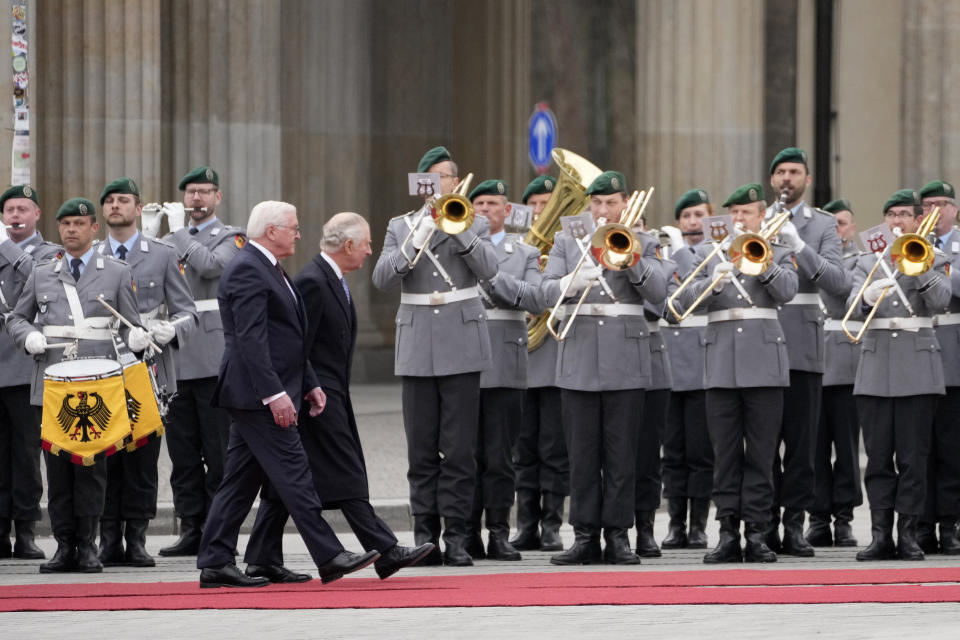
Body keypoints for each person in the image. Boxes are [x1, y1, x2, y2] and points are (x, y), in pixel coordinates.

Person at [243, 212, 435, 582]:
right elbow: (297, 345)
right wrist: (305, 392)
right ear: (348, 245)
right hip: (316, 396)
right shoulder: (314, 281)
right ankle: (386, 549)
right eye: (366, 244)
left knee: (287, 481)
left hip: (328, 392)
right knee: (345, 470)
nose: (369, 251)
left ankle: (262, 557)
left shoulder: (331, 277)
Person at [196, 201, 379, 588]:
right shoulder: (247, 269)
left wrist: (309, 382)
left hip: (267, 391)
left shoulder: (270, 267)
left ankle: (216, 560)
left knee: (240, 482)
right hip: (256, 395)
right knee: (296, 473)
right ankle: (329, 555)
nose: (299, 234)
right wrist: (275, 394)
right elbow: (251, 341)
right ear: (271, 231)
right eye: (293, 228)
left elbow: (292, 337)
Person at [372, 146, 498, 567]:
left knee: (460, 449)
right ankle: (425, 534)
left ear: (455, 183)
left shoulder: (473, 219)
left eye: (445, 178)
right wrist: (420, 234)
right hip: (418, 343)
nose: (437, 185)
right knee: (421, 448)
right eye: (431, 178)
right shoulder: (400, 226)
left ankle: (458, 536)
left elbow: (490, 268)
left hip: (461, 341)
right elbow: (382, 277)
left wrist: (456, 229)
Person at [7, 197, 145, 573]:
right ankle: (63, 545)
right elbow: (17, 318)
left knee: (91, 469)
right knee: (57, 469)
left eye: (79, 224)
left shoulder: (116, 272)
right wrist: (28, 337)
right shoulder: (42, 273)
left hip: (97, 384)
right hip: (52, 384)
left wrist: (138, 339)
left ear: (93, 228)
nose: (71, 230)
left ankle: (87, 545)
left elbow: (133, 324)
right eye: (65, 224)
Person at [541, 170, 667, 566]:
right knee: (581, 455)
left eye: (611, 203)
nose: (603, 210)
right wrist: (570, 282)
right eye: (596, 203)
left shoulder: (644, 241)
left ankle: (618, 536)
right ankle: (583, 536)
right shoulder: (567, 241)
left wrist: (629, 260)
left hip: (625, 359)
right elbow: (544, 291)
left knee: (620, 454)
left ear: (624, 204)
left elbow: (660, 293)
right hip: (578, 356)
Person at [677, 183, 798, 564]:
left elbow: (788, 291)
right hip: (721, 368)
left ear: (762, 215)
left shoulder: (776, 249)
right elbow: (680, 302)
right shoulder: (712, 254)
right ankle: (728, 531)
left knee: (761, 456)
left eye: (746, 212)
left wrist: (760, 266)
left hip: (763, 367)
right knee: (725, 455)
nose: (739, 219)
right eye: (734, 213)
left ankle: (758, 533)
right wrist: (713, 282)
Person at [95, 178, 197, 568]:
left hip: (148, 367)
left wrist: (170, 329)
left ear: (139, 209)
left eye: (124, 200)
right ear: (102, 211)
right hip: (105, 367)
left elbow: (187, 312)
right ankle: (108, 538)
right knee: (107, 453)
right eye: (110, 201)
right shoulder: (93, 254)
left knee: (142, 454)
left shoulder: (162, 254)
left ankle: (136, 537)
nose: (116, 206)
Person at [849, 188, 950, 561]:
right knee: (877, 459)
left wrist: (918, 266)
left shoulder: (933, 257)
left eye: (905, 214)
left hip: (917, 368)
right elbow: (850, 304)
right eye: (891, 214)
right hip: (875, 368)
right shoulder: (867, 260)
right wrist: (866, 297)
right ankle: (880, 536)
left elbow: (940, 300)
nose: (897, 221)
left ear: (917, 219)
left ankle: (908, 534)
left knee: (912, 457)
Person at [158, 166, 245, 557]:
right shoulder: (168, 240)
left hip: (212, 358)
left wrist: (177, 234)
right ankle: (191, 526)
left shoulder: (232, 236)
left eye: (204, 192)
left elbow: (213, 267)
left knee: (218, 449)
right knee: (183, 453)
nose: (196, 199)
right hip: (176, 356)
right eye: (191, 192)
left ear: (218, 198)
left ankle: (219, 528)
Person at [765, 147, 847, 557]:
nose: (786, 179)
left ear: (808, 180)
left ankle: (794, 524)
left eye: (794, 172)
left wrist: (800, 247)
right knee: (762, 445)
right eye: (780, 172)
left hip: (802, 346)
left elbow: (838, 282)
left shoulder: (824, 225)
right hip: (760, 347)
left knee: (801, 444)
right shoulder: (755, 221)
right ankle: (762, 524)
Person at [465, 179, 543, 561]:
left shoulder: (524, 251)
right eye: (477, 203)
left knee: (500, 455)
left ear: (507, 211)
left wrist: (493, 277)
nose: (483, 209)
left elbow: (534, 298)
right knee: (465, 454)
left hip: (506, 360)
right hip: (463, 358)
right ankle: (465, 531)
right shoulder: (455, 246)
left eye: (492, 203)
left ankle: (498, 531)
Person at [0, 185, 61, 559]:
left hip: (25, 365)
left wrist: (6, 247)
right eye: (9, 210)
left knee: (24, 454)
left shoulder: (48, 252)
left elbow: (40, 278)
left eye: (23, 208)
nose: (16, 215)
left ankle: (25, 530)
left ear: (37, 214)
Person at [511, 175, 570, 553]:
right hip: (519, 355)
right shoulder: (514, 248)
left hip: (552, 353)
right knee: (522, 449)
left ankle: (552, 524)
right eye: (534, 205)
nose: (539, 211)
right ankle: (525, 524)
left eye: (547, 204)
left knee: (554, 447)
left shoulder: (567, 247)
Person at [659, 188, 714, 551]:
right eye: (686, 217)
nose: (692, 223)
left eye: (699, 216)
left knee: (701, 450)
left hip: (701, 362)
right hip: (667, 361)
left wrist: (680, 249)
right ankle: (676, 523)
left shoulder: (719, 253)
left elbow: (700, 289)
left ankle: (698, 525)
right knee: (673, 451)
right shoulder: (661, 253)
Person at [805, 198, 861, 548]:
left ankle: (844, 518)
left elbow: (845, 292)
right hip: (812, 360)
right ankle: (817, 517)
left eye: (843, 224)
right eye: (833, 224)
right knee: (813, 448)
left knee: (846, 447)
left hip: (844, 365)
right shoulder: (809, 260)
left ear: (851, 228)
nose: (838, 230)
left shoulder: (858, 261)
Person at [916, 180, 960, 555]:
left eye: (942, 204)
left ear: (954, 210)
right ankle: (921, 524)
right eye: (928, 204)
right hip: (917, 357)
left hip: (954, 357)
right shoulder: (909, 245)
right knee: (921, 448)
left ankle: (951, 524)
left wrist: (935, 266)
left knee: (951, 447)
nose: (936, 211)